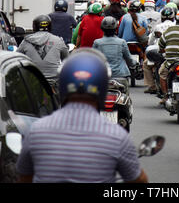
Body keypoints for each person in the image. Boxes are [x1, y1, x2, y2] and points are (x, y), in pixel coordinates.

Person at [16, 49, 148, 183]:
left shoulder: (36, 131)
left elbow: (24, 177)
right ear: (102, 87)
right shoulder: (117, 136)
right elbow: (139, 180)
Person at [17, 14, 68, 91]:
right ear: (50, 26)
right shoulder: (58, 41)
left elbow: (17, 58)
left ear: (34, 26)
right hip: (53, 85)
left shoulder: (26, 41)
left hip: (32, 84)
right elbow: (67, 60)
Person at [92, 16, 138, 92]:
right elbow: (129, 60)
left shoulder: (97, 42)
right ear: (115, 28)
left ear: (102, 29)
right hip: (121, 77)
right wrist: (134, 63)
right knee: (125, 98)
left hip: (102, 77)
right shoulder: (122, 42)